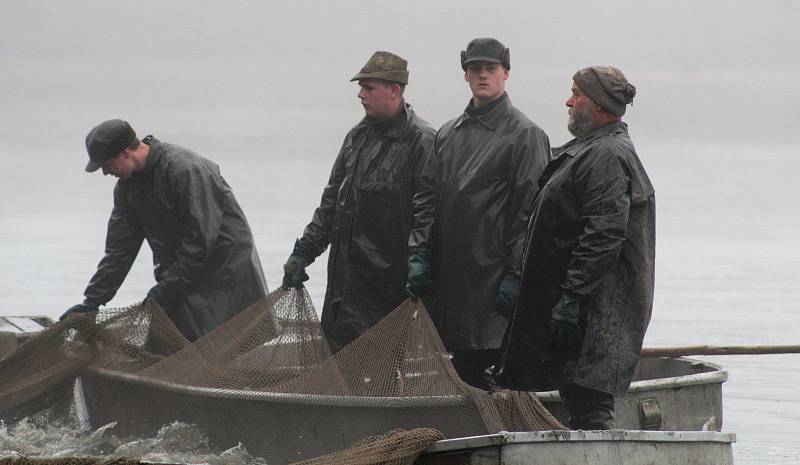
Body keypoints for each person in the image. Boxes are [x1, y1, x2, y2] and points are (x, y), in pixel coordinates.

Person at [494, 66, 655, 430]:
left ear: (598, 104)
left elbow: (604, 234)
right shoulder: (590, 149)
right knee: (578, 400)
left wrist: (572, 298)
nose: (568, 101)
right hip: (577, 312)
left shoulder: (608, 155)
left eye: (576, 94)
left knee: (591, 408)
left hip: (594, 316)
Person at [405, 38, 550, 389]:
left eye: (490, 69)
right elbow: (427, 197)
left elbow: (530, 213)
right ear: (466, 76)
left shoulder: (526, 135)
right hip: (453, 283)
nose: (482, 75)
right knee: (460, 372)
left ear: (506, 74)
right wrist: (419, 251)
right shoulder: (448, 133)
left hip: (496, 286)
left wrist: (517, 274)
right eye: (475, 69)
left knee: (495, 375)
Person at [282, 51, 435, 352]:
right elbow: (330, 206)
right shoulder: (355, 138)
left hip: (390, 290)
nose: (360, 94)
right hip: (343, 289)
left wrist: (421, 262)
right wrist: (304, 251)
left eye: (368, 87)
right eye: (360, 87)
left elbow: (428, 214)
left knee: (380, 379)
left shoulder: (422, 141)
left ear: (394, 90)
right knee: (339, 375)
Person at [61, 119, 268, 342]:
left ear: (124, 153)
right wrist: (92, 301)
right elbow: (119, 252)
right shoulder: (127, 189)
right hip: (184, 274)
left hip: (227, 270)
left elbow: (200, 243)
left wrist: (167, 288)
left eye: (106, 164)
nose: (104, 172)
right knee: (167, 344)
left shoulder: (186, 169)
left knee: (212, 346)